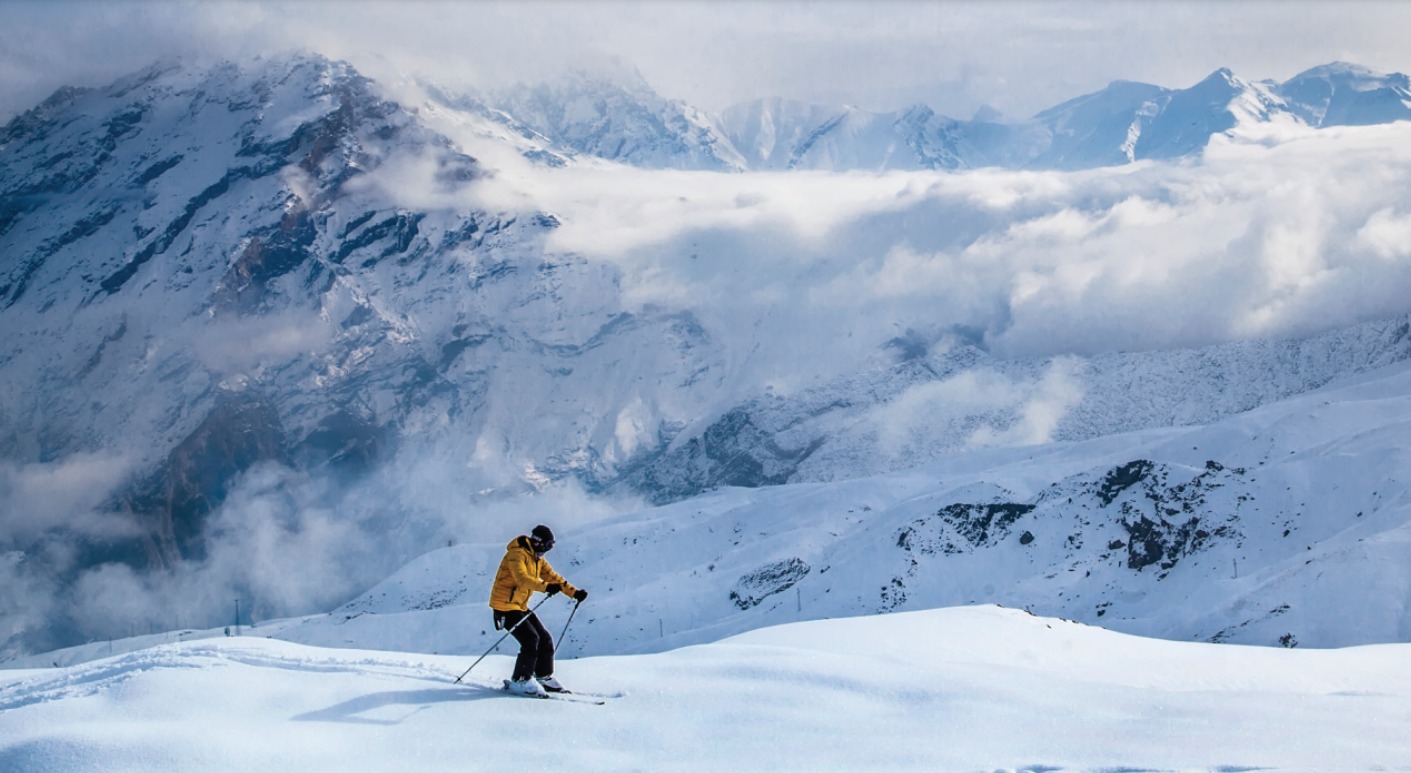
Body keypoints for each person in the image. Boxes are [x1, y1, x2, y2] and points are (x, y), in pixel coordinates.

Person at [488, 524, 589, 696]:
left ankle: (544, 676)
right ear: (538, 542)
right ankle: (520, 679)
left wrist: (574, 593)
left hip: (519, 606)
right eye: (548, 545)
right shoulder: (517, 554)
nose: (549, 549)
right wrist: (546, 587)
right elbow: (522, 579)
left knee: (545, 638)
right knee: (530, 639)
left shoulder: (536, 558)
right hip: (504, 606)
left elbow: (553, 577)